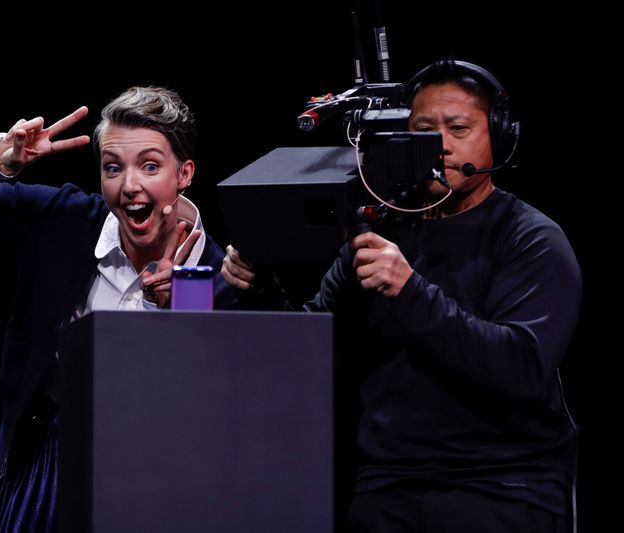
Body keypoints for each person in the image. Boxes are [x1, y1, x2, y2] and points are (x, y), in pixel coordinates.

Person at [222, 59, 581, 532]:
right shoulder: (382, 232)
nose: (440, 145)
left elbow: (522, 368)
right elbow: (307, 359)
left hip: (502, 488)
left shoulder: (530, 237)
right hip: (387, 488)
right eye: (423, 129)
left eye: (458, 128)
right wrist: (261, 289)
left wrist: (409, 290)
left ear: (498, 135)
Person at [0, 86, 239, 532]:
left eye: (151, 166)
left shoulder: (220, 271)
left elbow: (234, 401)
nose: (130, 186)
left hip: (163, 480)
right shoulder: (64, 219)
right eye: (113, 168)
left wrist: (177, 308)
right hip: (45, 467)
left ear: (185, 174)